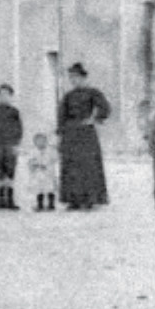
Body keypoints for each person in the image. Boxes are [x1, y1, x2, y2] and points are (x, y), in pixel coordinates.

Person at [58, 63, 111, 210]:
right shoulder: (68, 96)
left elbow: (105, 108)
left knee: (88, 166)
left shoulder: (93, 93)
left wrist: (94, 119)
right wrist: (61, 134)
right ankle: (73, 199)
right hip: (70, 134)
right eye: (71, 77)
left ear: (83, 77)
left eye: (76, 77)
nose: (73, 80)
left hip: (86, 134)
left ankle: (89, 199)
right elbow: (61, 116)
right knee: (71, 166)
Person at [0, 84, 24, 211]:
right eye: (1, 94)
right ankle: (1, 199)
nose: (4, 97)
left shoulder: (14, 112)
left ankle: (11, 200)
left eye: (7, 94)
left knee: (10, 171)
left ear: (11, 96)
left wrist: (17, 144)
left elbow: (19, 129)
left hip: (10, 145)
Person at [26, 132, 58, 212]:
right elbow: (30, 161)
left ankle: (51, 204)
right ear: (35, 143)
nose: (41, 143)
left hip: (49, 173)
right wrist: (35, 165)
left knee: (50, 188)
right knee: (39, 189)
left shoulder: (50, 150)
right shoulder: (33, 151)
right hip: (38, 173)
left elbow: (54, 158)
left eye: (43, 141)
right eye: (38, 141)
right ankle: (40, 205)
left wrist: (47, 164)